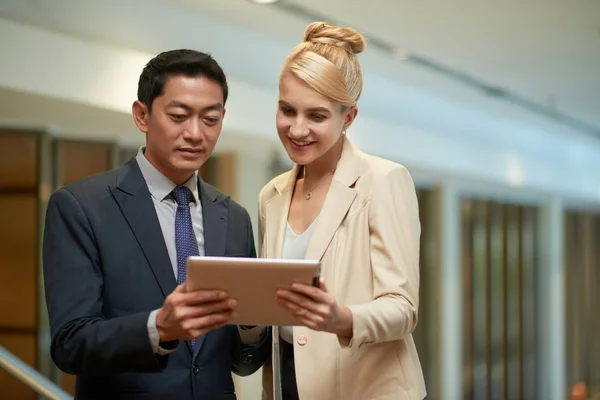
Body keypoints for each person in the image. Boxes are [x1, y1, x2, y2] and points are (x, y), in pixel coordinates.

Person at [43, 49, 271, 399]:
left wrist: (252, 325)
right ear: (142, 115)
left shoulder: (234, 217)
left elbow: (242, 363)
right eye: (179, 116)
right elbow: (70, 344)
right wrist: (157, 329)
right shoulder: (81, 206)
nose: (195, 133)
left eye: (210, 119)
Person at [258, 22, 426, 400]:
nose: (297, 129)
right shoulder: (271, 195)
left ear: (348, 118)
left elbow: (403, 309)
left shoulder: (383, 180)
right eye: (287, 110)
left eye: (316, 116)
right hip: (291, 383)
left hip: (366, 388)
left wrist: (342, 319)